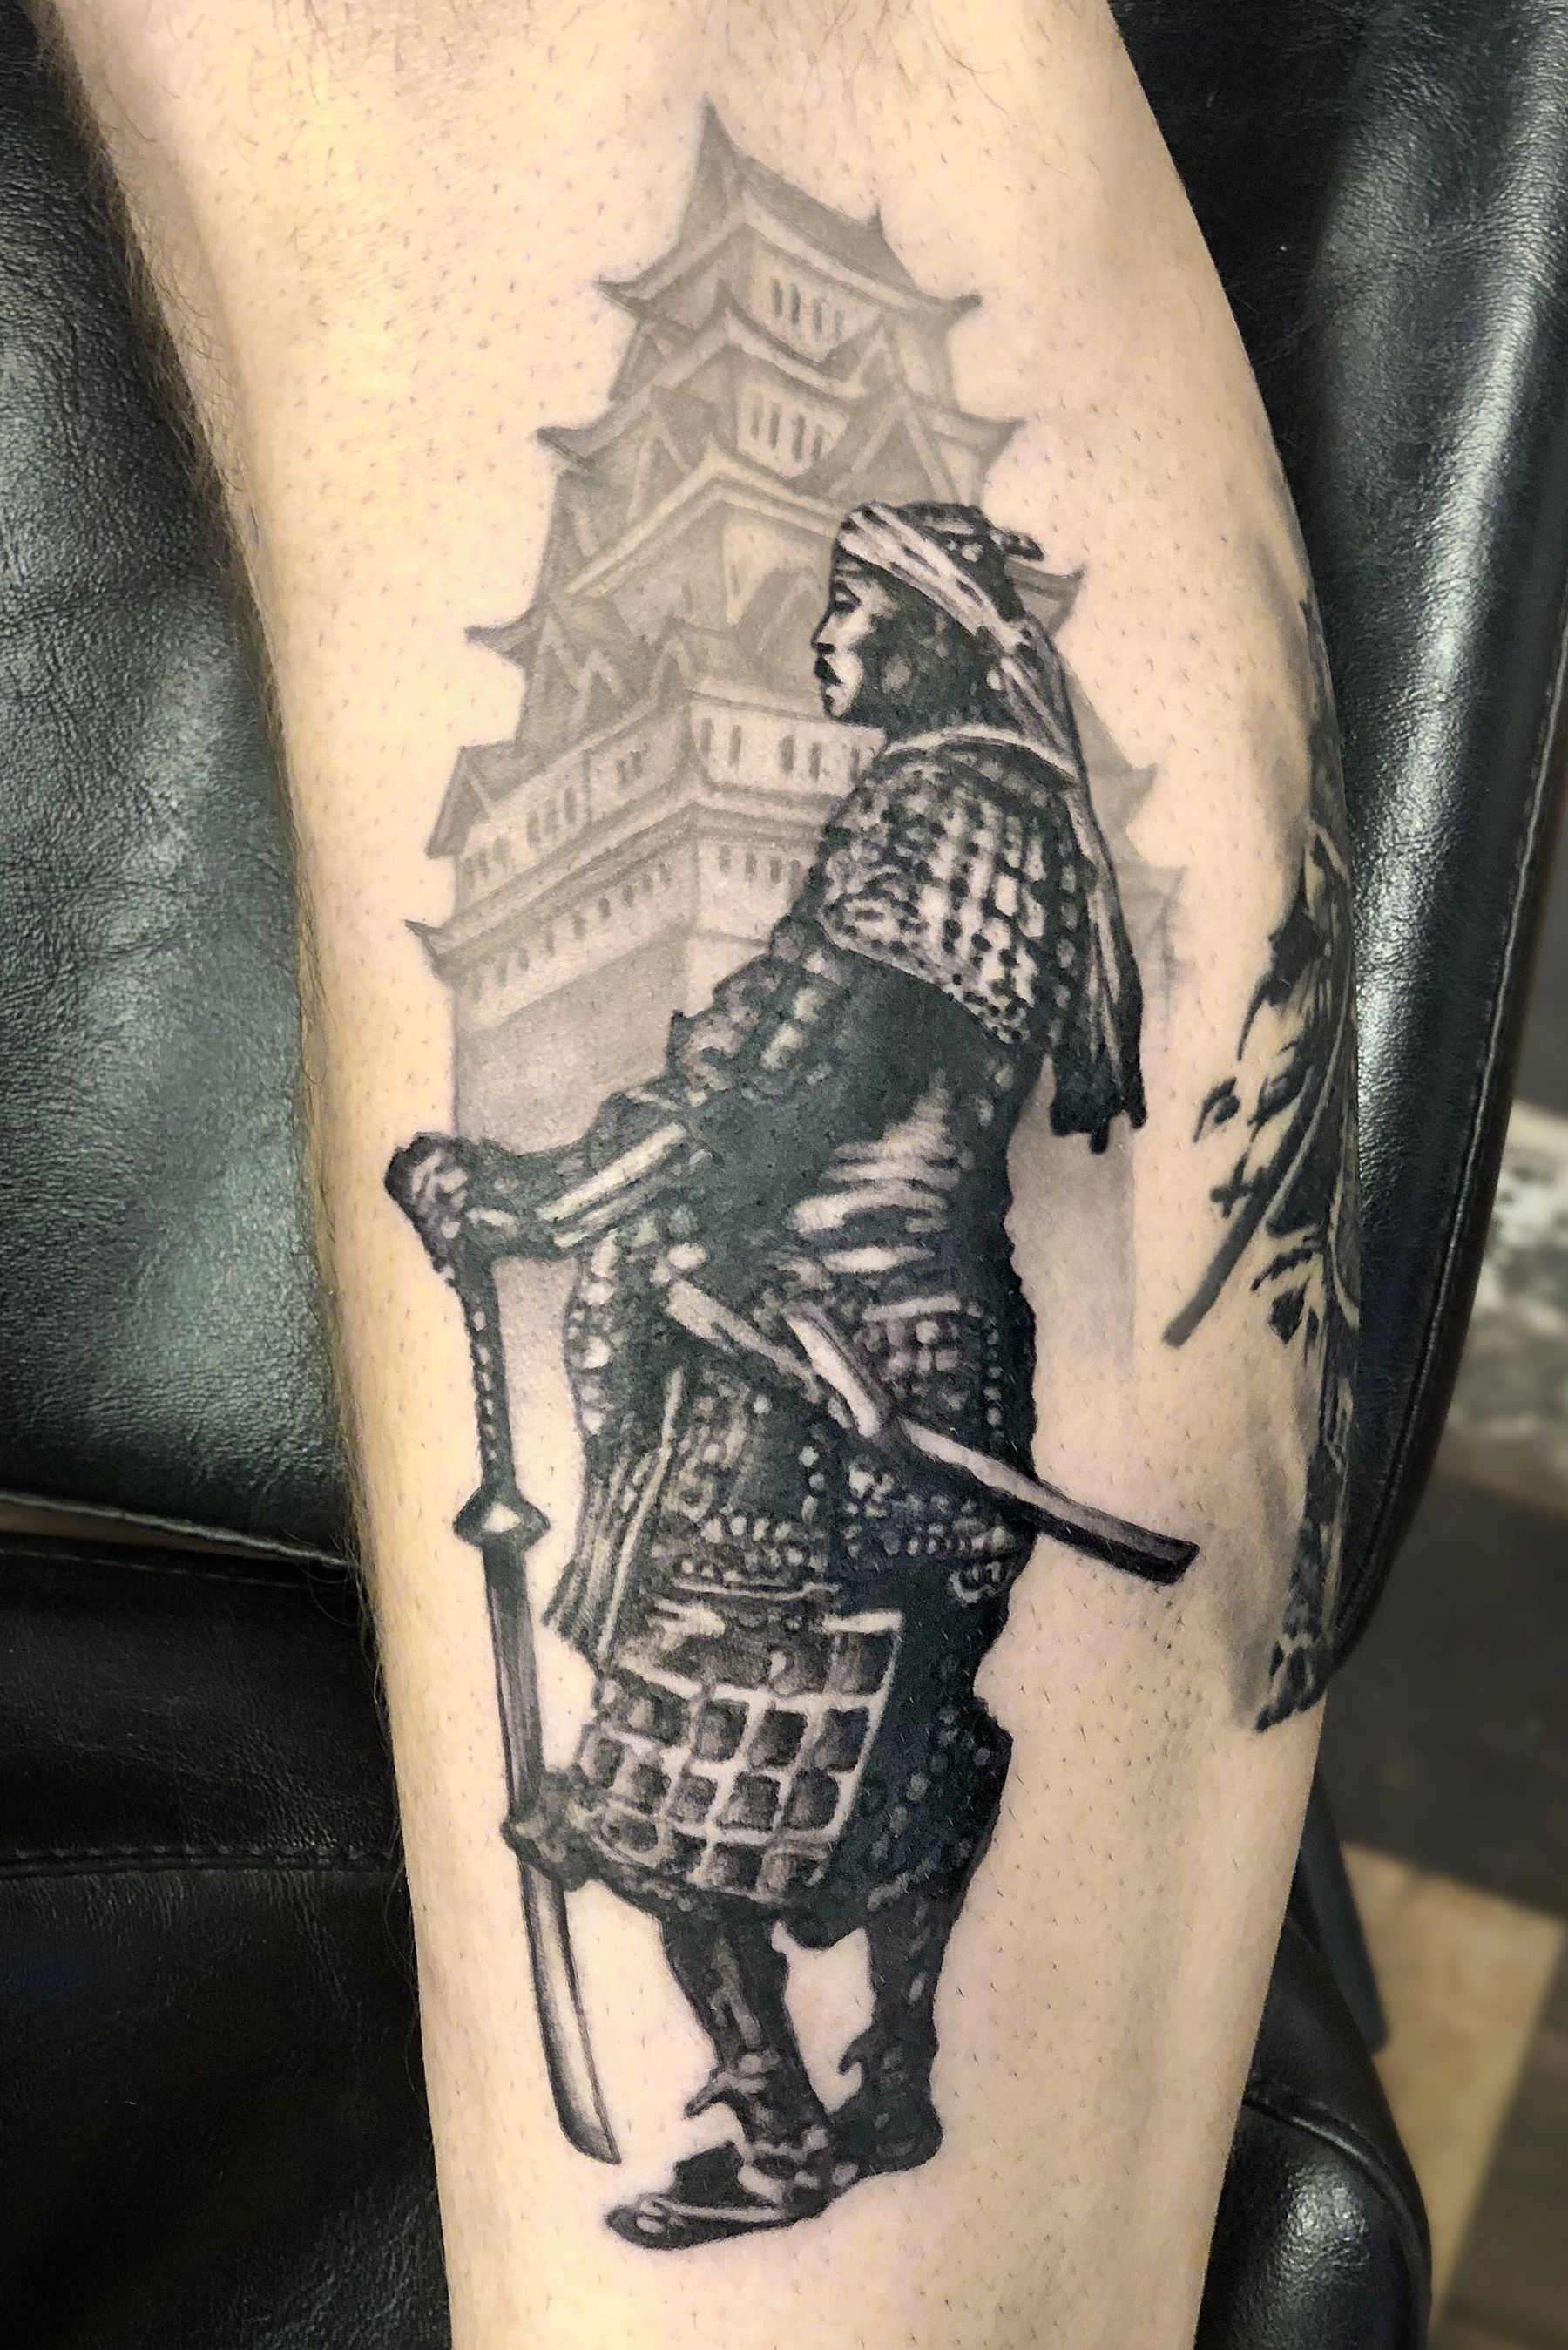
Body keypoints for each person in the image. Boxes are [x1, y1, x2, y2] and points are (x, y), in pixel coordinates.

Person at [390, 498, 1152, 2245]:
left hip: (800, 1381)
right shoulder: (1025, 820)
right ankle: (897, 2075)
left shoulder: (928, 807)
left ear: (931, 636)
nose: (825, 635)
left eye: (852, 606)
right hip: (954, 1348)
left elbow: (777, 1081)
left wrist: (533, 1199)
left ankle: (782, 2134)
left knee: (680, 1766)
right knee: (911, 1741)